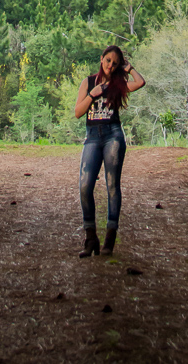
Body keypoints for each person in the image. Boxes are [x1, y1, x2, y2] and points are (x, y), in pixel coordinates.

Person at [74, 44, 145, 257]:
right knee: (85, 185)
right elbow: (78, 112)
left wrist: (129, 68)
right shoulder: (87, 82)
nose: (110, 66)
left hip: (113, 135)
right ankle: (90, 238)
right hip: (92, 136)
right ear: (101, 58)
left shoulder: (119, 84)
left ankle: (110, 240)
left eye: (115, 63)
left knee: (112, 185)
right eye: (108, 61)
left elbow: (140, 82)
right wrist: (93, 94)